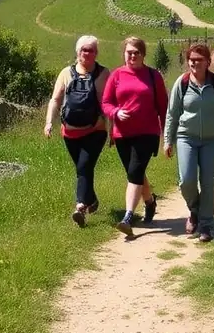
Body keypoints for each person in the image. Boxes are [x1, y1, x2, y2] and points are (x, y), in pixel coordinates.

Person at [164, 43, 214, 243]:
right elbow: (172, 113)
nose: (195, 63)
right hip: (186, 137)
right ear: (188, 61)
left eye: (199, 59)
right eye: (192, 59)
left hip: (213, 140)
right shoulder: (183, 82)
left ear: (207, 62)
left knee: (208, 182)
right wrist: (168, 140)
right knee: (186, 180)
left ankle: (205, 224)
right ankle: (194, 209)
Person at [102, 36, 169, 237]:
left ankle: (128, 217)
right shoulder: (116, 75)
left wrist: (167, 134)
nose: (132, 56)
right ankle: (149, 202)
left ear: (143, 54)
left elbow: (163, 107)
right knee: (135, 174)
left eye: (136, 52)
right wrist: (116, 113)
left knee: (135, 171)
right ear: (124, 53)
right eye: (129, 52)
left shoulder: (153, 76)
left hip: (147, 132)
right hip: (122, 134)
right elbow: (106, 103)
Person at [44, 35, 110, 227]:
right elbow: (55, 100)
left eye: (91, 50)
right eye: (84, 50)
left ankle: (80, 207)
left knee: (83, 167)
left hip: (95, 130)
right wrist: (49, 122)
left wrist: (113, 128)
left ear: (96, 53)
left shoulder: (104, 73)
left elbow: (110, 103)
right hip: (70, 133)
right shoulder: (66, 73)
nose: (87, 53)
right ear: (77, 52)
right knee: (83, 169)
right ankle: (92, 200)